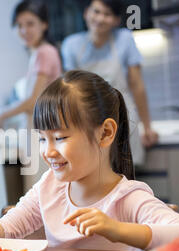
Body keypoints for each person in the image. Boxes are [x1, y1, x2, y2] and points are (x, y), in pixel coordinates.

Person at [0, 70, 179, 251]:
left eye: (60, 137)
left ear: (105, 133)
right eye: (43, 139)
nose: (48, 152)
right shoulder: (48, 187)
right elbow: (12, 226)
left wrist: (118, 229)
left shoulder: (126, 198)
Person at [61, 0, 158, 165]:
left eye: (107, 14)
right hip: (87, 124)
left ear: (116, 20)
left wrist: (147, 127)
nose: (100, 18)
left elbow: (137, 85)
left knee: (125, 179)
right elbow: (68, 91)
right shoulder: (71, 45)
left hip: (123, 118)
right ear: (86, 13)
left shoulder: (125, 39)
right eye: (96, 12)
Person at [0, 0, 62, 130]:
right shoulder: (39, 53)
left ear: (44, 24)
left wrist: (1, 116)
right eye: (18, 25)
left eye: (30, 24)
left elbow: (33, 101)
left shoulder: (44, 52)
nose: (23, 30)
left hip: (45, 130)